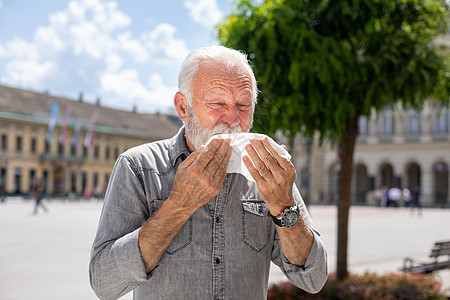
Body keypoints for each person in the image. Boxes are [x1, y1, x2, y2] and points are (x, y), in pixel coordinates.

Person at [89, 46, 328, 299]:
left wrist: (284, 206)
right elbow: (105, 283)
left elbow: (313, 278)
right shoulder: (139, 167)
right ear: (183, 107)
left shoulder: (269, 172)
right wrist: (179, 205)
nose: (234, 119)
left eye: (244, 105)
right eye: (217, 103)